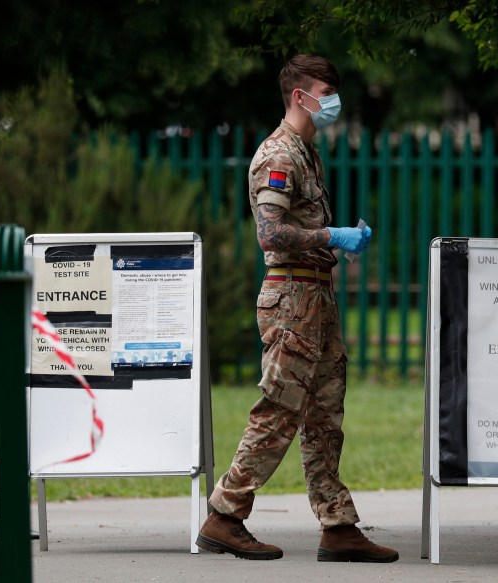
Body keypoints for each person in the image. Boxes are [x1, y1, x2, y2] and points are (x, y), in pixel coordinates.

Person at [196, 54, 398, 563]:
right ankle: (225, 515)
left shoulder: (308, 152)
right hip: (291, 300)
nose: (332, 103)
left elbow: (297, 229)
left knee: (326, 415)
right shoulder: (279, 155)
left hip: (316, 296)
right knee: (280, 409)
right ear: (299, 96)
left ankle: (337, 524)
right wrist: (331, 234)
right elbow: (269, 232)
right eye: (325, 93)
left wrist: (334, 246)